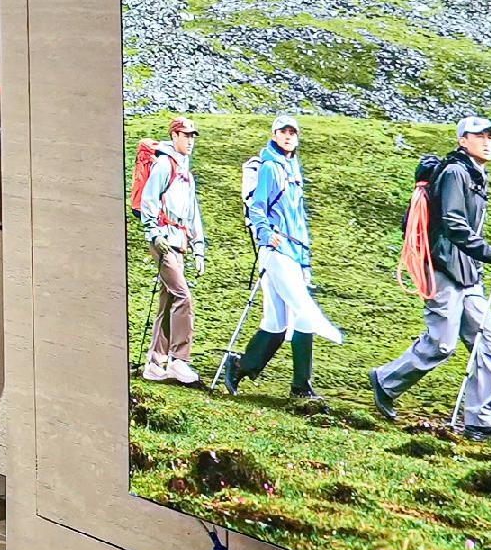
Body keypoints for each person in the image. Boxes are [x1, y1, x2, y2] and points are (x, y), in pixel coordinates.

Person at [373, 113, 491, 440]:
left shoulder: (476, 174)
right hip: (444, 269)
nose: (487, 142)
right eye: (479, 136)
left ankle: (480, 420)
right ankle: (385, 381)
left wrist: (485, 255)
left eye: (490, 137)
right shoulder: (455, 172)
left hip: (468, 274)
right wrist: (490, 252)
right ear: (463, 140)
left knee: (490, 346)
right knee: (441, 343)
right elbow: (453, 224)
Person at [217, 117, 338, 409]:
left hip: (294, 250)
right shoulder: (270, 167)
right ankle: (301, 386)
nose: (288, 136)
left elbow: (299, 217)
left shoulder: (293, 169)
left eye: (292, 132)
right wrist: (265, 234)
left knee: (277, 321)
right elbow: (257, 206)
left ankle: (240, 366)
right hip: (277, 249)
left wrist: (305, 259)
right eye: (283, 132)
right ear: (274, 135)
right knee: (304, 311)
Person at [133, 115, 203, 386]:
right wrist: (154, 233)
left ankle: (154, 362)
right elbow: (149, 199)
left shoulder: (186, 172)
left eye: (192, 136)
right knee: (183, 296)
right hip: (163, 241)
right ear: (174, 136)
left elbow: (193, 213)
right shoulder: (164, 164)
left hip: (179, 242)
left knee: (168, 300)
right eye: (185, 135)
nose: (190, 141)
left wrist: (199, 247)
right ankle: (179, 360)